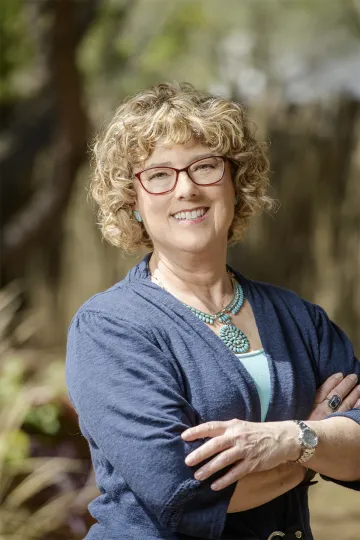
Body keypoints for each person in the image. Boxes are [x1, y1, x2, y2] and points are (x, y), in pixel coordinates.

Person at [65, 82, 360, 540]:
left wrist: (289, 440)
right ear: (134, 203)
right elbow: (182, 494)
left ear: (234, 184)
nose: (185, 189)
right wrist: (314, 438)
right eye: (159, 174)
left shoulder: (300, 318)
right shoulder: (110, 329)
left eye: (204, 166)